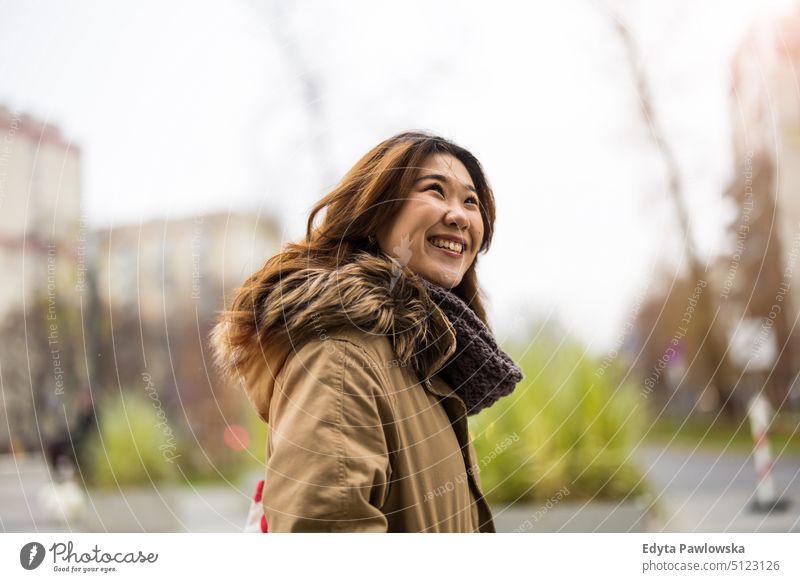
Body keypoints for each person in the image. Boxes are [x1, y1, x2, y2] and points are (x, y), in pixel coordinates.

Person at [212, 130, 523, 532]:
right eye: (435, 190)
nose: (459, 215)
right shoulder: (341, 355)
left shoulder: (420, 360)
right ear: (375, 213)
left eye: (470, 202)